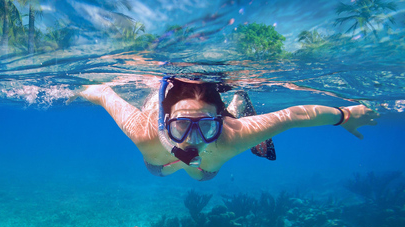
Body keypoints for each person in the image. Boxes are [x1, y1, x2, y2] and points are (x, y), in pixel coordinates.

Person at [67, 77, 378, 181]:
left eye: (205, 126)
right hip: (160, 162)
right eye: (181, 125)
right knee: (159, 169)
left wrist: (344, 115)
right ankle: (184, 159)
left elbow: (294, 115)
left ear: (220, 121)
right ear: (165, 122)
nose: (192, 139)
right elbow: (105, 92)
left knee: (202, 175)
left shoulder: (232, 135)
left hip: (207, 167)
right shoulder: (144, 132)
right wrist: (77, 89)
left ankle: (237, 104)